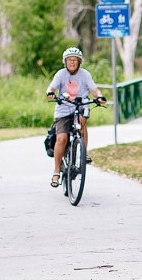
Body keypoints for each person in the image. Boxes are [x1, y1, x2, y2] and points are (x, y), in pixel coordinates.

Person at [46, 47, 106, 187]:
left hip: (80, 106)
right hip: (63, 108)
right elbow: (51, 88)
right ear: (65, 62)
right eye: (69, 60)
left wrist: (100, 97)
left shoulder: (85, 74)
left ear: (79, 62)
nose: (72, 62)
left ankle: (83, 153)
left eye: (75, 60)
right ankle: (56, 172)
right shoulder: (60, 74)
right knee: (62, 138)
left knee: (82, 123)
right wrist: (50, 93)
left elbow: (94, 89)